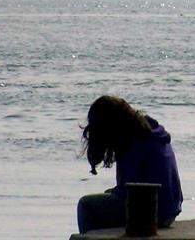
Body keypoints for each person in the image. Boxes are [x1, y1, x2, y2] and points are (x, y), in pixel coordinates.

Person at [77, 96, 183, 233]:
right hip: (170, 210)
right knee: (107, 199)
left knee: (86, 206)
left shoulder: (133, 143)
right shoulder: (150, 133)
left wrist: (113, 193)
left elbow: (126, 191)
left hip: (153, 214)